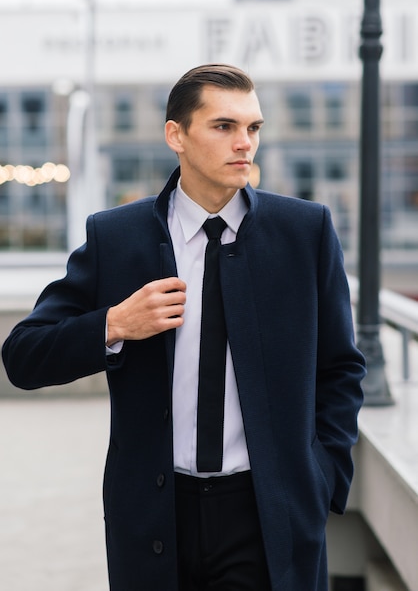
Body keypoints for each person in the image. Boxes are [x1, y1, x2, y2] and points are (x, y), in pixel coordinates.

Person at [2, 64, 365, 591]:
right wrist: (115, 324)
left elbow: (342, 368)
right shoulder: (116, 238)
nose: (244, 143)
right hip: (154, 516)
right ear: (177, 135)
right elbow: (23, 356)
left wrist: (320, 477)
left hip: (268, 515)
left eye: (253, 128)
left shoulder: (304, 232)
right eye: (224, 127)